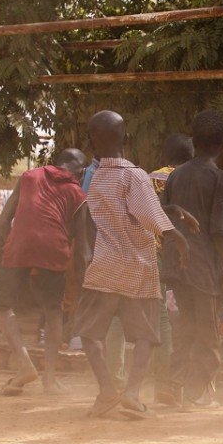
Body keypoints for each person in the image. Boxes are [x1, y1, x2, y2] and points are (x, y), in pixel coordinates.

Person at [73, 111, 190, 420]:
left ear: (91, 144)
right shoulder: (134, 175)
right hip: (138, 266)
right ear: (126, 138)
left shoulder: (96, 177)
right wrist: (175, 235)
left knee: (89, 332)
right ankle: (132, 394)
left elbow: (96, 217)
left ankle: (106, 390)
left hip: (106, 265)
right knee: (147, 335)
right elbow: (148, 213)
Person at [0, 148, 88, 396]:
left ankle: (24, 364)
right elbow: (81, 244)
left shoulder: (29, 176)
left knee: (2, 305)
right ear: (80, 172)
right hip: (54, 248)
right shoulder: (77, 193)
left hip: (20, 244)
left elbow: (3, 221)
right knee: (53, 311)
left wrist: (12, 248)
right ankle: (50, 380)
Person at [162, 111, 223, 408]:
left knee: (187, 328)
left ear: (193, 141)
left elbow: (165, 217)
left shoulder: (175, 176)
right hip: (204, 268)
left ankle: (175, 385)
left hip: (177, 265)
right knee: (207, 332)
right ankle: (200, 392)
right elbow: (220, 234)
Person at [148, 133, 194, 404]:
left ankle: (161, 380)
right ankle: (174, 381)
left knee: (159, 315)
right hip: (182, 256)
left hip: (151, 252)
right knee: (181, 317)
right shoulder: (190, 177)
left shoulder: (150, 178)